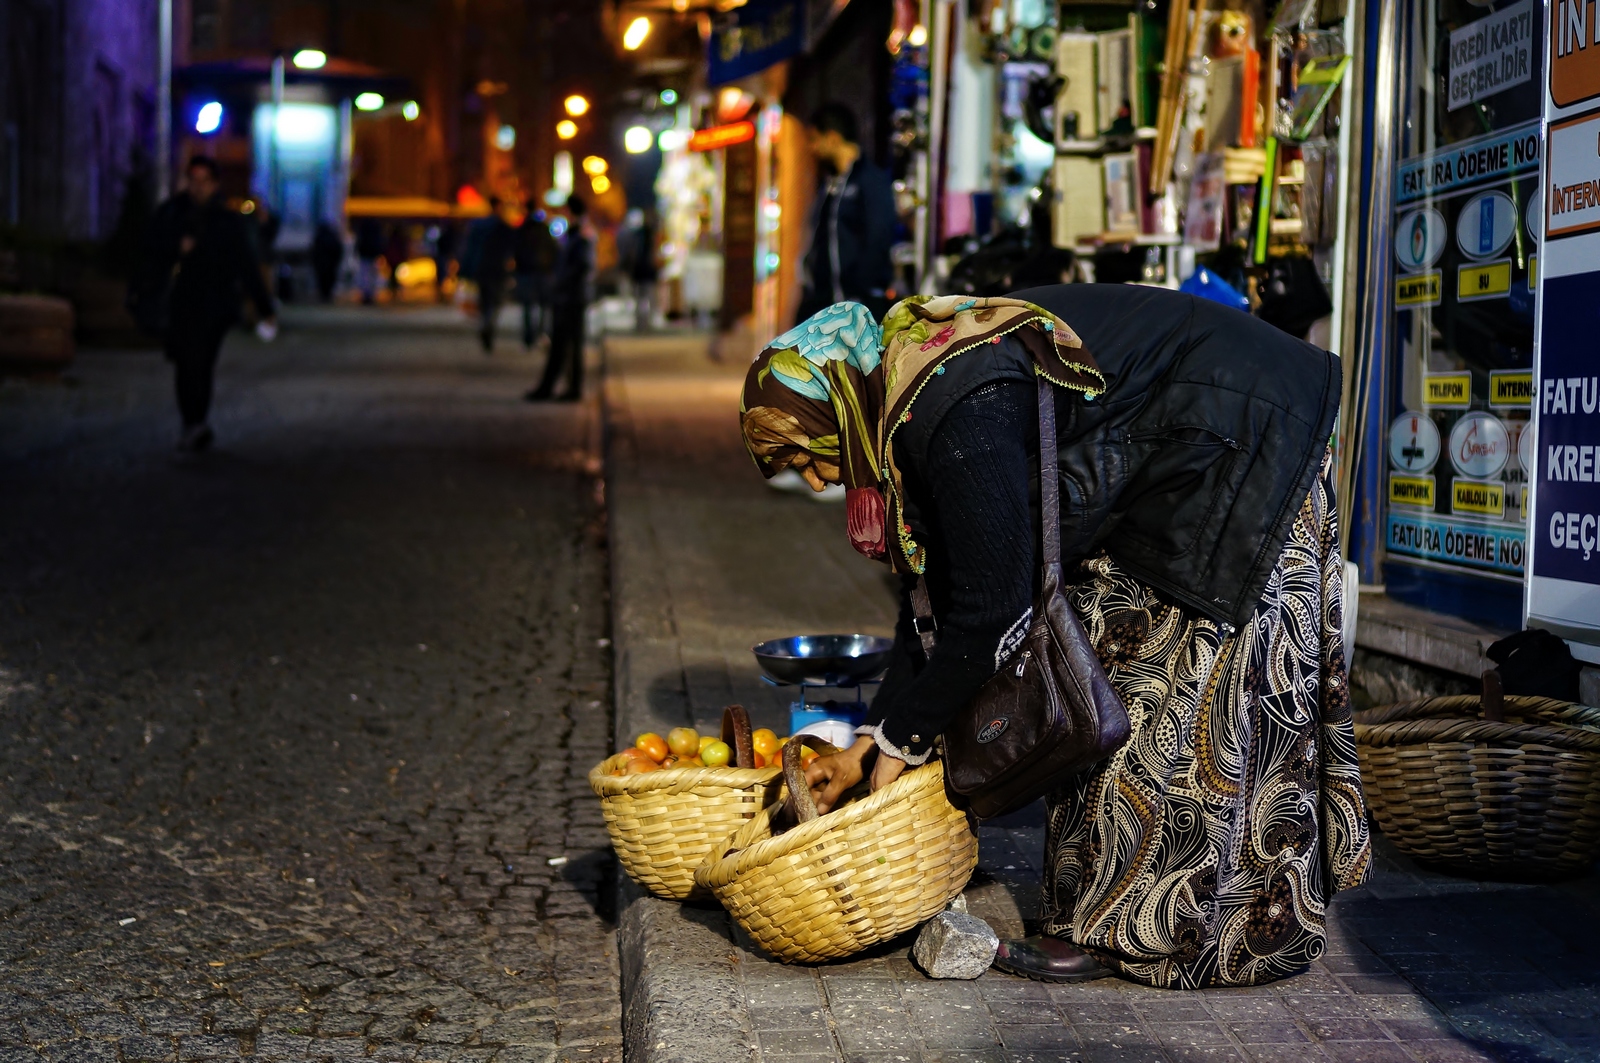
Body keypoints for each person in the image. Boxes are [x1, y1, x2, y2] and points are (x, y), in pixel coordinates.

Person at [739, 288, 1372, 989]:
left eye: (808, 455)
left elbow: (989, 607)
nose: (820, 478)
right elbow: (935, 595)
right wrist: (874, 742)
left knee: (1171, 697)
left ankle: (1149, 935)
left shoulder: (953, 404)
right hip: (1171, 458)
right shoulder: (905, 399)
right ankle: (1124, 917)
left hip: (1242, 433)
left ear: (838, 408)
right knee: (1096, 677)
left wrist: (903, 736)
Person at [140, 155, 276, 452]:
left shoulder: (227, 221)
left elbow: (246, 264)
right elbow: (150, 251)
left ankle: (196, 421)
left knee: (201, 362)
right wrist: (177, 248)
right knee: (184, 363)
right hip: (179, 303)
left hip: (214, 306)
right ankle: (192, 421)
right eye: (194, 180)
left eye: (205, 181)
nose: (198, 187)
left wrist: (265, 308)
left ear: (214, 184)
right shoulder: (172, 214)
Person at [795, 103, 897, 325]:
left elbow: (878, 236)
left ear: (832, 137)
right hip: (824, 304)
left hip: (857, 307)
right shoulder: (830, 184)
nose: (811, 148)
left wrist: (858, 290)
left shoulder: (870, 181)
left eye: (814, 139)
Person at [525, 196, 593, 402]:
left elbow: (582, 265)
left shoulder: (581, 235)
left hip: (571, 298)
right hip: (569, 297)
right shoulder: (576, 234)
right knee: (562, 345)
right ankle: (555, 387)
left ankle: (566, 389)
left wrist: (560, 282)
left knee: (566, 345)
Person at [466, 198, 515, 352]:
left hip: (481, 269)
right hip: (497, 269)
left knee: (485, 299)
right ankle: (488, 324)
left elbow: (470, 248)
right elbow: (511, 248)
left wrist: (468, 269)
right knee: (495, 301)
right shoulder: (503, 226)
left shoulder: (478, 225)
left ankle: (485, 323)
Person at [513, 202, 559, 349]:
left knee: (528, 306)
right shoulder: (543, 229)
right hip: (543, 272)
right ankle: (541, 333)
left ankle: (528, 337)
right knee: (543, 306)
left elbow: (516, 251)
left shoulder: (522, 230)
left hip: (526, 272)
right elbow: (554, 250)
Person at [354, 217, 385, 304]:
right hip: (373, 255)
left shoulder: (363, 233)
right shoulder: (375, 232)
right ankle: (371, 294)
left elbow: (359, 243)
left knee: (365, 275)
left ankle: (366, 294)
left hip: (365, 255)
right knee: (372, 275)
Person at [311, 221, 344, 302]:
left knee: (322, 281)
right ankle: (327, 296)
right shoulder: (332, 237)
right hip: (331, 264)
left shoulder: (319, 237)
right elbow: (338, 249)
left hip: (322, 264)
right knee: (329, 280)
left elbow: (314, 251)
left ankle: (324, 296)